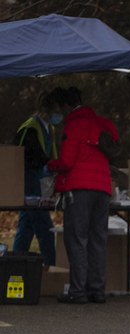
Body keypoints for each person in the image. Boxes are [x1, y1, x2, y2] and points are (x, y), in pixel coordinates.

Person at [47, 86, 119, 304]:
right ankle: (97, 289)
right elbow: (114, 145)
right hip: (103, 188)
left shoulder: (73, 125)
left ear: (66, 106)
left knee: (77, 239)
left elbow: (67, 161)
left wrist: (50, 164)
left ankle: (78, 291)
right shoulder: (101, 122)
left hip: (79, 188)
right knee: (98, 239)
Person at [12, 91, 59, 268]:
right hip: (31, 182)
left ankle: (15, 264)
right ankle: (51, 267)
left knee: (26, 228)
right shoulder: (30, 127)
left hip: (39, 182)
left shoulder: (48, 128)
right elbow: (29, 155)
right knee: (44, 229)